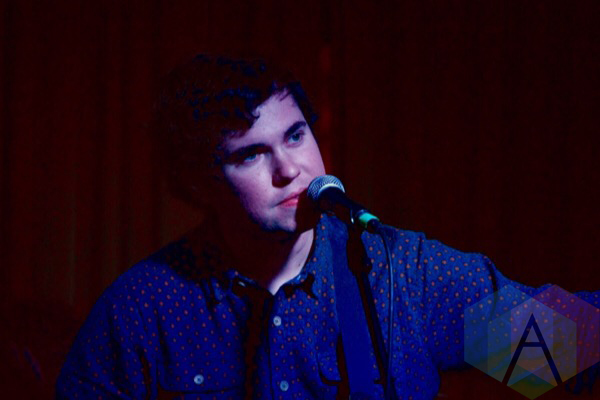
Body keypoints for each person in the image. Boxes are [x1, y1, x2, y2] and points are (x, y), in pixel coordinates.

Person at [56, 55, 600, 399]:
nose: (290, 169)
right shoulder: (143, 309)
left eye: (295, 136)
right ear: (199, 184)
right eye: (250, 155)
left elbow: (563, 350)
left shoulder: (402, 274)